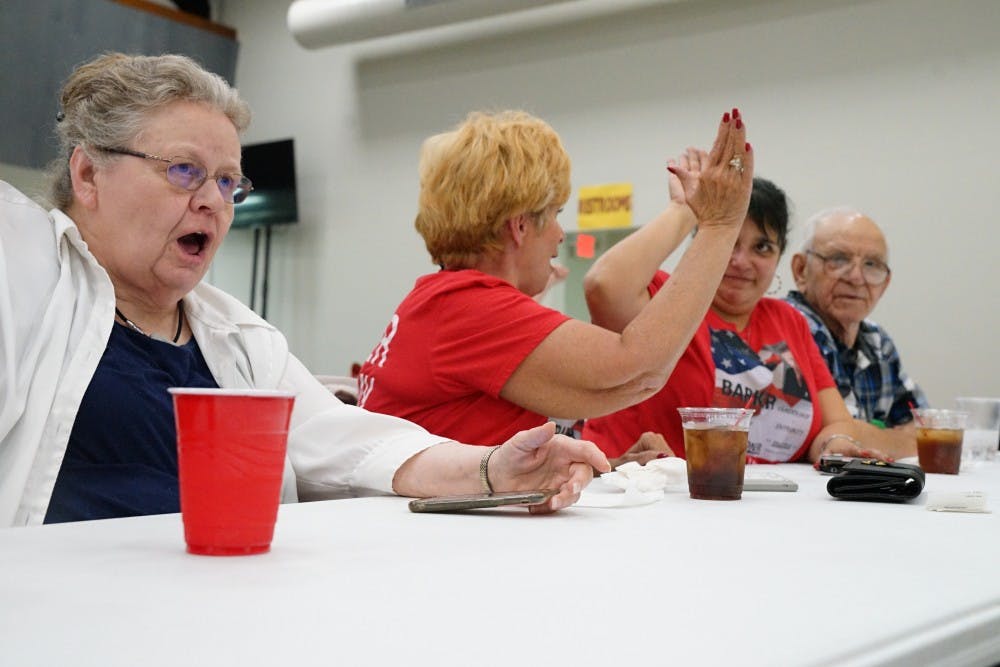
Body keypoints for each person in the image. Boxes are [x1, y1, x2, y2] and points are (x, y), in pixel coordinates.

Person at [0, 53, 610, 527]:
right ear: (87, 174)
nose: (212, 200)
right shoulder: (24, 271)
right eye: (183, 170)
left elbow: (352, 444)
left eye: (227, 181)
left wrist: (492, 468)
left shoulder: (236, 338)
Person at [358, 108, 754, 468]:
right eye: (555, 215)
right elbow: (639, 371)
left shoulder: (444, 301)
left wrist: (614, 466)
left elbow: (489, 457)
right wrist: (721, 225)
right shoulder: (468, 307)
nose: (560, 235)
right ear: (520, 225)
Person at [583, 169, 916, 464]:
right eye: (729, 241)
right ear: (702, 243)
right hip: (642, 504)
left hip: (759, 510)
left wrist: (836, 445)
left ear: (780, 258)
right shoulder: (667, 300)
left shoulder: (789, 321)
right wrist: (687, 209)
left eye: (762, 247)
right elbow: (604, 285)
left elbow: (836, 422)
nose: (742, 261)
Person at [786, 207, 928, 445]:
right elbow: (831, 437)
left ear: (885, 283)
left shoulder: (877, 342)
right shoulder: (785, 327)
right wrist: (892, 438)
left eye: (872, 264)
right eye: (838, 259)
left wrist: (866, 435)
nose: (856, 277)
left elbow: (927, 431)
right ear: (801, 270)